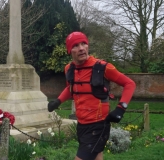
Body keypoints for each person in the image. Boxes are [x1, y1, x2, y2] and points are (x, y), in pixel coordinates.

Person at [48, 31, 136, 160]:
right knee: (96, 156)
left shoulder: (103, 67)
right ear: (69, 50)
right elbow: (70, 88)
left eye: (84, 43)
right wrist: (58, 101)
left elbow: (129, 84)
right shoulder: (69, 69)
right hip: (82, 124)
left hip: (99, 124)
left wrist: (121, 108)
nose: (81, 48)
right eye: (76, 45)